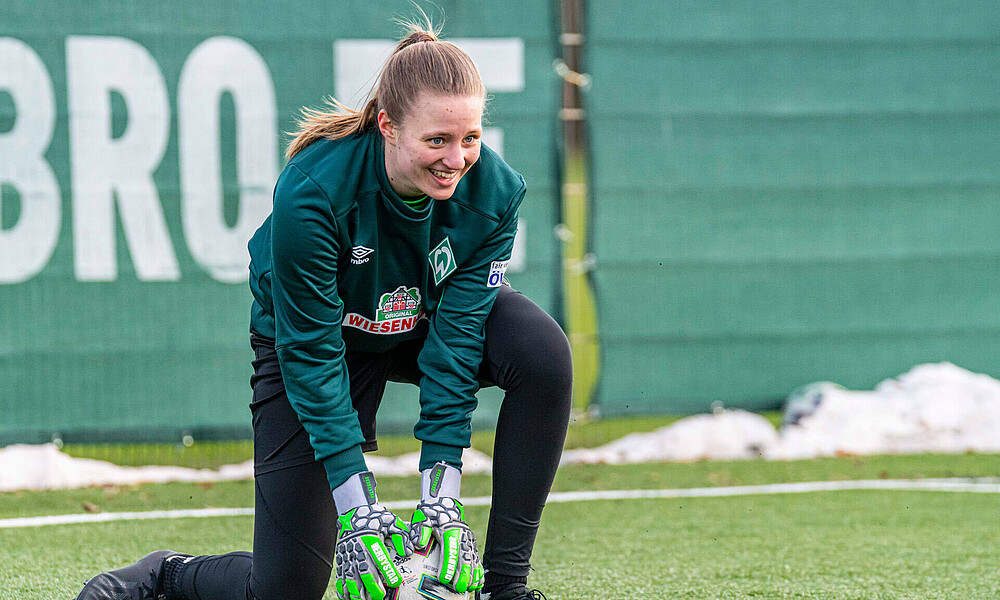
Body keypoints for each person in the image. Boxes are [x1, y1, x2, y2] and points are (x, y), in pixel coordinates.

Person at [74, 19, 572, 600]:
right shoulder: (313, 190)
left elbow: (457, 342)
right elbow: (311, 353)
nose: (456, 159)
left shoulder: (495, 193)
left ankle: (505, 589)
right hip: (321, 341)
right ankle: (167, 575)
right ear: (387, 126)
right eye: (436, 140)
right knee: (286, 591)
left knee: (542, 353)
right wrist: (356, 505)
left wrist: (442, 493)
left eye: (470, 138)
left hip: (420, 322)